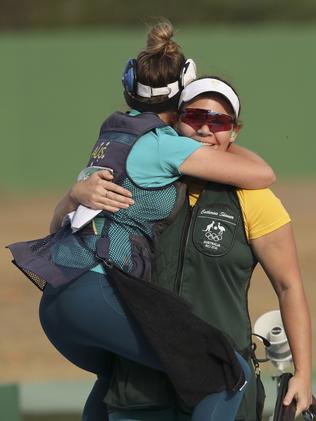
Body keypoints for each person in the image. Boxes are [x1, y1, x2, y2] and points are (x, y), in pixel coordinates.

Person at [7, 22, 276, 421]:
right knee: (226, 374)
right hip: (96, 292)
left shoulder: (113, 132)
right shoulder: (166, 144)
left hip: (58, 300)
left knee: (115, 374)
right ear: (183, 90)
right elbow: (263, 173)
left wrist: (71, 193)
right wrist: (224, 134)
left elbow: (56, 225)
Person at [69, 76, 313, 421]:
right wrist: (75, 193)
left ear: (234, 131)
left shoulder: (254, 198)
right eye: (195, 117)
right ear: (175, 121)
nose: (204, 129)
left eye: (219, 122)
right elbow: (64, 228)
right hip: (142, 385)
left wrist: (303, 375)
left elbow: (289, 287)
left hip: (223, 384)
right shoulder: (142, 180)